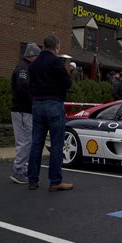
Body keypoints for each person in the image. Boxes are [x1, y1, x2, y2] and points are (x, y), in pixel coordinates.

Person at [27, 35, 73, 191]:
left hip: (37, 104)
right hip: (53, 103)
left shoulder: (33, 64)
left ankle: (32, 180)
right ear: (56, 47)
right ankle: (55, 181)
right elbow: (67, 83)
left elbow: (29, 85)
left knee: (36, 144)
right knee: (57, 144)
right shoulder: (56, 62)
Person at [10, 43, 41, 184]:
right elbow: (22, 88)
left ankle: (20, 168)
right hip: (23, 109)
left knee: (25, 140)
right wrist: (34, 98)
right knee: (25, 141)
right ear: (32, 55)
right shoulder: (24, 68)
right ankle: (18, 170)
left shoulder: (25, 67)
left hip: (22, 109)